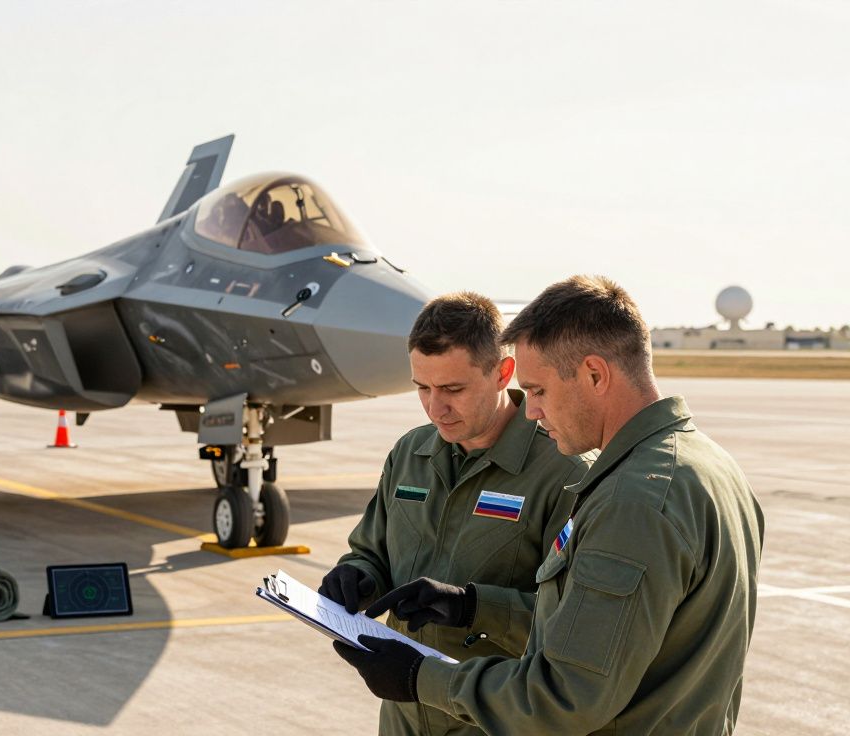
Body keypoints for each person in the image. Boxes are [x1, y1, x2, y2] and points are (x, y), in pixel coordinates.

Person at [333, 275, 765, 735]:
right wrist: (469, 606)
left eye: (537, 390)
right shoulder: (709, 465)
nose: (532, 410)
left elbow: (565, 693)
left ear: (595, 374)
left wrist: (422, 678)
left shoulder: (633, 499)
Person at [319, 291, 592, 736]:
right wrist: (358, 575)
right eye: (422, 388)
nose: (434, 407)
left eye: (453, 389)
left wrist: (471, 607)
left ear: (504, 373)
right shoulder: (411, 453)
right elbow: (371, 551)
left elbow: (576, 629)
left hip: (494, 719)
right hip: (406, 713)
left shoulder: (565, 472)